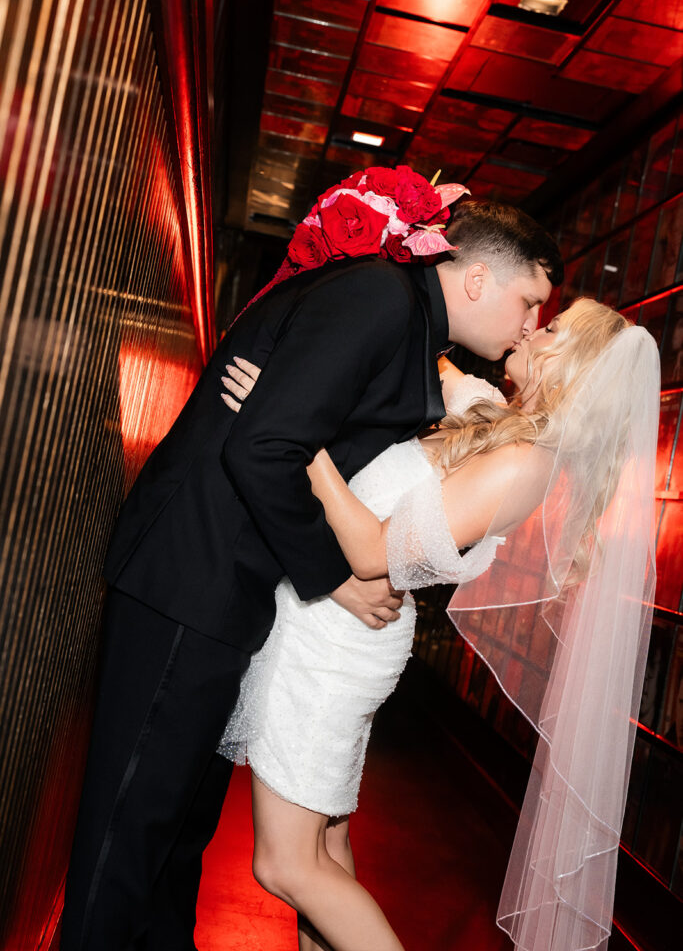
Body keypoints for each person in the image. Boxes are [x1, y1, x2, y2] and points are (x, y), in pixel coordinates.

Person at [60, 166, 562, 951]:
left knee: (175, 832)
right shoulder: (378, 299)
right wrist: (335, 582)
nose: (530, 322)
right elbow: (265, 447)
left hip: (231, 585)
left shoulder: (407, 320)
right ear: (474, 280)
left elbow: (303, 430)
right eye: (528, 300)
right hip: (194, 571)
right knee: (131, 833)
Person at [220, 296, 659, 951]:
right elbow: (433, 344)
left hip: (335, 646)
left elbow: (372, 552)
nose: (533, 327)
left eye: (552, 328)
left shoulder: (523, 462)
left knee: (284, 864)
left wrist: (294, 433)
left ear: (577, 364)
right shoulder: (498, 419)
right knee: (325, 847)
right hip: (329, 625)